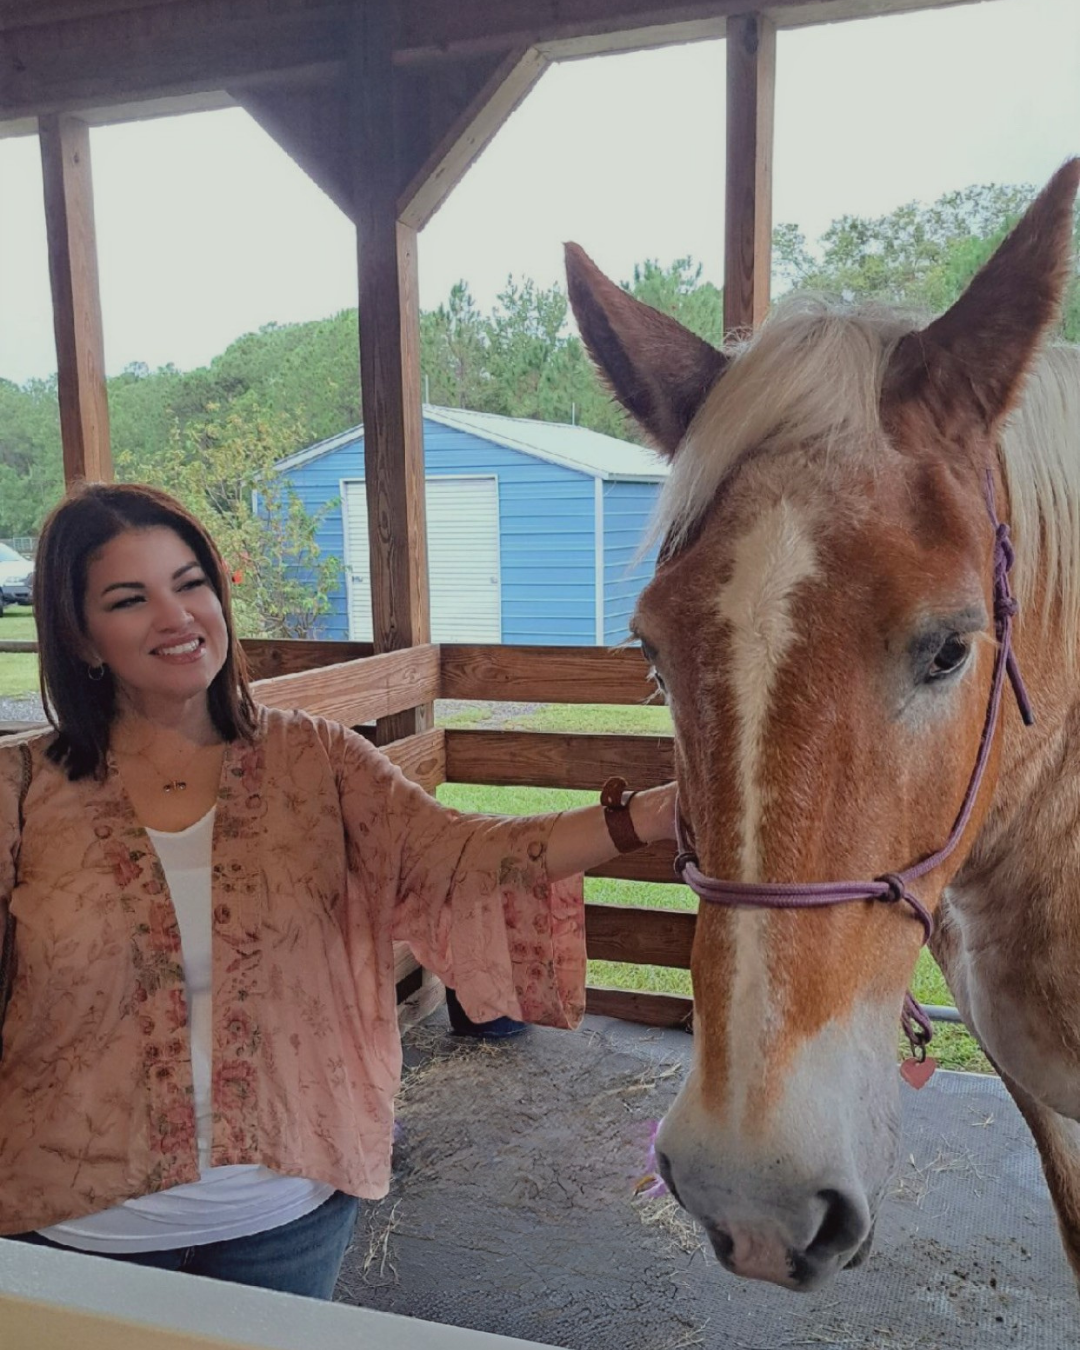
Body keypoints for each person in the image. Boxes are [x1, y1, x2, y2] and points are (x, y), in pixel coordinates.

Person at [0, 482, 677, 1300]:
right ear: (80, 636)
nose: (176, 617)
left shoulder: (316, 760)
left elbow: (465, 855)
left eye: (191, 583)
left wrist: (656, 814)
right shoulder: (20, 789)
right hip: (77, 1230)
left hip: (286, 1211)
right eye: (128, 598)